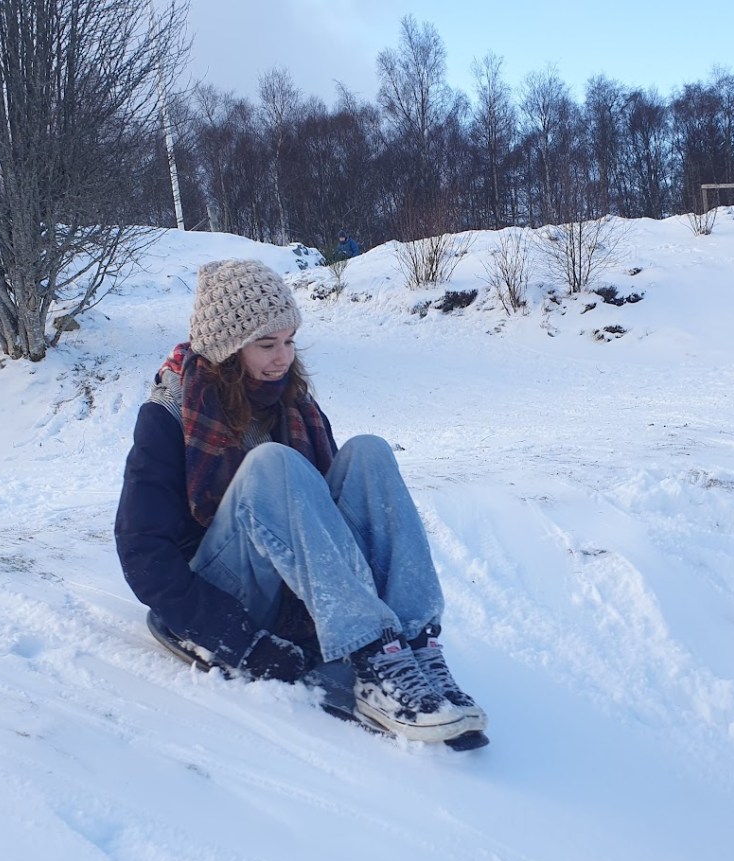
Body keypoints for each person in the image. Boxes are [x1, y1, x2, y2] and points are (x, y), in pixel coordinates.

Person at [115, 258, 486, 742]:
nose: (283, 357)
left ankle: (412, 644)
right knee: (273, 465)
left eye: (289, 341)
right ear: (227, 351)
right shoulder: (168, 413)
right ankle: (372, 653)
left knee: (369, 453)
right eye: (266, 344)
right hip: (226, 590)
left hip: (291, 582)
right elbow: (142, 550)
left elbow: (321, 516)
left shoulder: (293, 404)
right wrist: (241, 643)